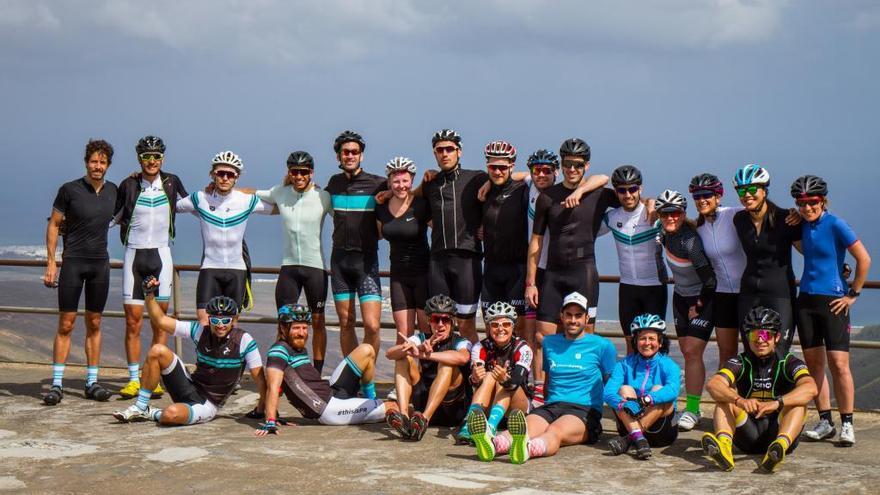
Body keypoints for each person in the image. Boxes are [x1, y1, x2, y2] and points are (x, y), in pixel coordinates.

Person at [113, 276, 266, 425]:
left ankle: (152, 413)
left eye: (225, 320)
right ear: (209, 319)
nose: (220, 325)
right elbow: (161, 320)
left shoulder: (244, 340)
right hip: (190, 385)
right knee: (157, 350)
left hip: (208, 404)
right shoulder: (200, 331)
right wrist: (149, 294)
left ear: (233, 321)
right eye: (215, 320)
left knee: (170, 415)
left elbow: (259, 379)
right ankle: (140, 407)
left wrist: (263, 409)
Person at [490, 292, 617, 464]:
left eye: (578, 315)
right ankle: (493, 445)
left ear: (587, 318)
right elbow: (548, 380)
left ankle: (526, 450)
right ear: (561, 317)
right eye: (569, 315)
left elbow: (612, 383)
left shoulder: (603, 346)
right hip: (552, 406)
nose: (573, 320)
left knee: (554, 430)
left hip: (584, 410)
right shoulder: (550, 343)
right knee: (522, 427)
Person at [791, 176, 871, 446]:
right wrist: (793, 217)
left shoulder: (836, 223)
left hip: (834, 301)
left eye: (812, 202)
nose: (807, 207)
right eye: (801, 203)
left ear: (822, 201)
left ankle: (848, 423)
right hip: (806, 301)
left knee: (839, 365)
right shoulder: (800, 223)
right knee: (814, 365)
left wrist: (853, 294)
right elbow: (809, 251)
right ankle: (826, 420)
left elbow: (864, 258)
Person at [42, 139, 118, 405]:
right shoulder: (69, 190)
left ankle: (91, 382)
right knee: (66, 323)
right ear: (87, 162)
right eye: (93, 161)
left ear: (108, 165)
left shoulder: (114, 191)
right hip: (73, 262)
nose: (97, 166)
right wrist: (51, 262)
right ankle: (56, 384)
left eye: (102, 162)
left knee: (95, 323)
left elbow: (129, 213)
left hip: (100, 264)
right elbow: (53, 225)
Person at [701, 306, 818, 473]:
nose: (760, 340)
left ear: (776, 337)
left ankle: (779, 448)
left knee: (799, 403)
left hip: (777, 428)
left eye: (765, 335)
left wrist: (777, 403)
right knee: (724, 399)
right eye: (754, 335)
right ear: (748, 338)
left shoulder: (788, 361)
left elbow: (811, 388)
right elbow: (713, 384)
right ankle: (724, 449)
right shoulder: (739, 361)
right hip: (748, 431)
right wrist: (739, 401)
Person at [115, 135, 188, 399]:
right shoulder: (128, 184)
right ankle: (135, 379)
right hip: (134, 255)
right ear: (139, 158)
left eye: (156, 156)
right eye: (147, 156)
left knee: (160, 323)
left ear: (163, 158)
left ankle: (153, 378)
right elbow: (111, 216)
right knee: (132, 323)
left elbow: (193, 204)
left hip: (161, 255)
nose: (152, 161)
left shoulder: (171, 181)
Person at [526, 138, 619, 340]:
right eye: (567, 163)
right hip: (553, 275)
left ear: (586, 166)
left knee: (585, 339)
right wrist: (531, 283)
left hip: (583, 275)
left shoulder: (599, 194)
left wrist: (651, 205)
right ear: (561, 164)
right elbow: (536, 242)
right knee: (543, 338)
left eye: (578, 164)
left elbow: (623, 192)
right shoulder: (547, 197)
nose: (572, 169)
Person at [253, 304, 389, 435]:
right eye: (296, 328)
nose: (302, 333)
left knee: (367, 350)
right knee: (394, 407)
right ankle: (374, 406)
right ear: (282, 328)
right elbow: (273, 387)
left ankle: (370, 399)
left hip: (333, 391)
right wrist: (270, 420)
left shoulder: (297, 348)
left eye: (305, 328)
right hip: (329, 409)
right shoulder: (278, 351)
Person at [255, 151, 333, 373]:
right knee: (284, 322)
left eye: (304, 172)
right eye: (294, 171)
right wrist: (220, 188)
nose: (299, 175)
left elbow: (346, 217)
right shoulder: (280, 192)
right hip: (289, 267)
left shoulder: (323, 197)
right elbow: (253, 194)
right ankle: (285, 368)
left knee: (317, 322)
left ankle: (316, 372)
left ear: (311, 173)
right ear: (288, 172)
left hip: (315, 267)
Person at [176, 151, 273, 325]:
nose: (225, 178)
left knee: (231, 325)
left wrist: (300, 190)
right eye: (221, 173)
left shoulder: (246, 201)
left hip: (237, 270)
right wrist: (140, 182)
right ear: (212, 175)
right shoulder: (200, 199)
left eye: (230, 174)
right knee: (204, 321)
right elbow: (170, 205)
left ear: (237, 177)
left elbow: (278, 208)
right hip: (210, 268)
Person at [656, 190, 717, 431]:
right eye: (664, 213)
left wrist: (699, 304)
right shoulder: (664, 234)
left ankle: (692, 409)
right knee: (686, 350)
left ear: (683, 214)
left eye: (675, 213)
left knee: (692, 351)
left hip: (702, 299)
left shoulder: (690, 241)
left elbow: (710, 280)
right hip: (680, 297)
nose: (670, 217)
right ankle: (691, 407)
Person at [325, 131, 388, 356]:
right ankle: (349, 378)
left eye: (354, 152)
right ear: (338, 157)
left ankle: (367, 381)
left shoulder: (378, 183)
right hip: (340, 261)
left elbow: (403, 197)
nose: (350, 156)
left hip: (366, 261)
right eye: (345, 152)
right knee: (346, 322)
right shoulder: (334, 183)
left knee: (372, 325)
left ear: (361, 155)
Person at [422, 129, 488, 342]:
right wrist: (387, 192)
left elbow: (510, 179)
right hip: (438, 260)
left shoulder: (476, 178)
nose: (445, 154)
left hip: (467, 258)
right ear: (434, 154)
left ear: (459, 152)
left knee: (466, 324)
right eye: (439, 150)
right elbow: (409, 201)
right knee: (439, 322)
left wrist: (486, 224)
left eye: (449, 149)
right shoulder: (430, 183)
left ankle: (476, 371)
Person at [733, 164, 801, 354]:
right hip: (748, 293)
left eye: (753, 189)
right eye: (742, 190)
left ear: (764, 191)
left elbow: (809, 251)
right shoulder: (739, 220)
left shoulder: (786, 218)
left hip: (780, 294)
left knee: (779, 352)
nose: (747, 195)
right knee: (750, 351)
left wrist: (841, 267)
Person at [598, 165, 667, 355]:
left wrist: (653, 203)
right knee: (631, 343)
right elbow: (584, 232)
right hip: (628, 287)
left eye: (632, 189)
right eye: (622, 190)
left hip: (654, 286)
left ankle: (656, 384)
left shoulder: (654, 214)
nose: (628, 194)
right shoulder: (612, 217)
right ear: (616, 192)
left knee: (655, 343)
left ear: (640, 189)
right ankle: (631, 384)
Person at [385, 294, 472, 441]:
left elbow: (462, 358)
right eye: (435, 319)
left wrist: (424, 355)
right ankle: (405, 417)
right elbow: (389, 354)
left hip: (451, 408)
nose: (440, 324)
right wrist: (414, 348)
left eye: (445, 319)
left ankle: (424, 420)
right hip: (423, 401)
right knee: (402, 359)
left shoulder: (462, 342)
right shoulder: (420, 338)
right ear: (428, 321)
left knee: (447, 364)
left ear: (452, 321)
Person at [460, 301, 533, 460]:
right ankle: (470, 424)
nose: (501, 329)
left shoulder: (523, 348)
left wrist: (504, 379)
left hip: (516, 407)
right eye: (495, 325)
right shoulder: (480, 347)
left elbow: (516, 381)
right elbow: (475, 382)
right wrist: (474, 377)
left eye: (506, 324)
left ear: (513, 326)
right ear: (488, 327)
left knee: (502, 378)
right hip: (490, 404)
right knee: (489, 376)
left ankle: (490, 427)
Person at [604, 313, 681, 460]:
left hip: (661, 432)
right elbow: (608, 393)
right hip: (630, 422)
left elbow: (673, 390)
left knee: (660, 390)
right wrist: (623, 404)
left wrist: (645, 400)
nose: (647, 343)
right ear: (635, 341)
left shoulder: (669, 365)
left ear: (660, 342)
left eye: (651, 338)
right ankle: (638, 438)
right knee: (624, 389)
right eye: (642, 338)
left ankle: (630, 438)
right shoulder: (624, 364)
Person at [689, 173, 745, 367]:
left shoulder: (734, 214)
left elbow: (765, 213)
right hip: (722, 295)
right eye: (697, 196)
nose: (701, 200)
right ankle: (727, 398)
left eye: (706, 195)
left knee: (753, 351)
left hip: (747, 293)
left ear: (718, 196)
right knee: (727, 352)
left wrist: (793, 214)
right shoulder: (699, 227)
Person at [376, 157, 431, 342]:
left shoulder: (421, 206)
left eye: (405, 181)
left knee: (426, 334)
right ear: (389, 182)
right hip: (398, 276)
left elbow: (441, 229)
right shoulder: (381, 208)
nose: (401, 186)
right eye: (396, 181)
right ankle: (403, 373)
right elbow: (377, 234)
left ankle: (427, 372)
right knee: (403, 336)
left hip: (424, 274)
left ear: (412, 181)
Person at [480, 141, 529, 336]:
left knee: (519, 328)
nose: (497, 172)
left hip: (517, 269)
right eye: (493, 167)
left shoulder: (522, 189)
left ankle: (519, 366)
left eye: (502, 167)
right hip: (491, 269)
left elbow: (537, 176)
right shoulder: (485, 192)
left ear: (511, 166)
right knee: (490, 327)